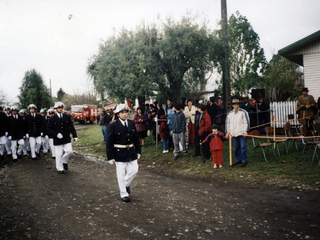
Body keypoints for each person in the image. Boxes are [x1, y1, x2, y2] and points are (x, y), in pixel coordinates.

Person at [106, 104, 141, 202]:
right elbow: (109, 141)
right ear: (118, 114)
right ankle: (124, 194)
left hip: (131, 151)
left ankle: (125, 185)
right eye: (122, 113)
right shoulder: (112, 125)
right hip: (119, 151)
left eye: (126, 112)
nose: (124, 114)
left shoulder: (132, 123)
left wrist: (138, 150)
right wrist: (110, 156)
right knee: (121, 173)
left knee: (134, 170)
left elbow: (136, 138)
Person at [47, 102, 77, 174]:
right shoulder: (52, 118)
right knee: (58, 154)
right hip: (57, 138)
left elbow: (71, 126)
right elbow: (48, 128)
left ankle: (64, 161)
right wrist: (56, 134)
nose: (60, 109)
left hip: (66, 137)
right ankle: (60, 168)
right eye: (59, 108)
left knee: (69, 151)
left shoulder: (66, 117)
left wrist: (75, 135)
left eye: (61, 108)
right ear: (56, 109)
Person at [225, 99, 250, 167]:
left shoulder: (243, 112)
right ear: (232, 105)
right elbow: (228, 123)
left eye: (237, 104)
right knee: (236, 147)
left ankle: (244, 160)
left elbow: (246, 122)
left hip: (242, 133)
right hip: (234, 133)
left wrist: (245, 131)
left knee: (243, 147)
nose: (236, 106)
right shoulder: (230, 114)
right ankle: (238, 159)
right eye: (235, 104)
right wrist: (227, 132)